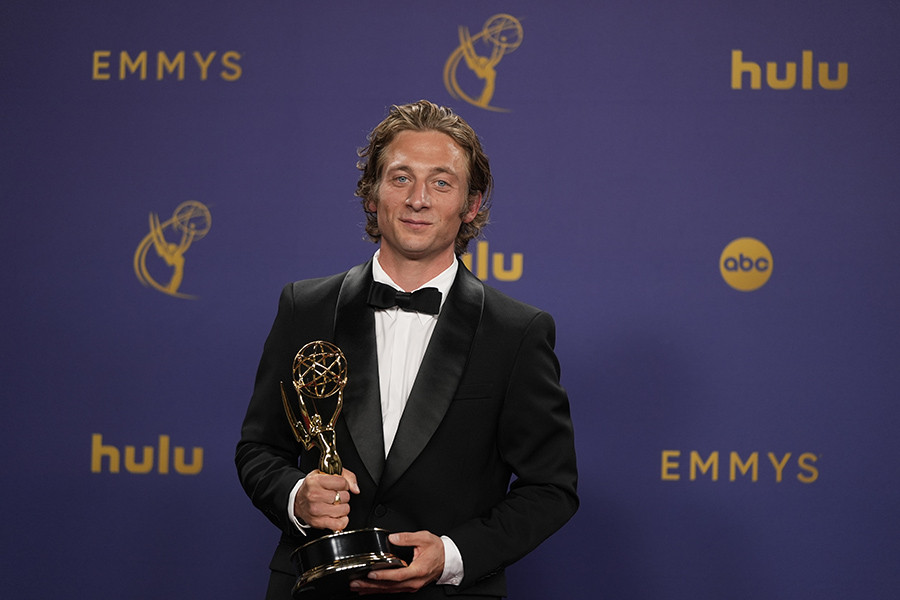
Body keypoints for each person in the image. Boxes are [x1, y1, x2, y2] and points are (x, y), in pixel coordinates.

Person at [236, 99, 578, 599]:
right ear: (372, 195)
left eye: (441, 182)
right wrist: (295, 496)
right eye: (400, 178)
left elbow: (551, 489)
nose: (418, 199)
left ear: (471, 204)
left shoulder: (517, 332)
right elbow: (258, 449)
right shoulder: (304, 308)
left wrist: (453, 554)